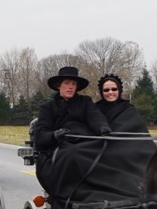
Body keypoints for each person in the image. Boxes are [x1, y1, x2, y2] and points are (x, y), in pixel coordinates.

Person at [32, 66, 110, 201]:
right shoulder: (48, 108)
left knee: (107, 152)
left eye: (73, 84)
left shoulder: (85, 102)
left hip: (86, 143)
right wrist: (55, 135)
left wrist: (103, 128)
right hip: (60, 148)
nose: (70, 87)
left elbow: (95, 117)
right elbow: (40, 136)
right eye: (67, 83)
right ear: (58, 86)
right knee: (72, 154)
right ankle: (72, 194)